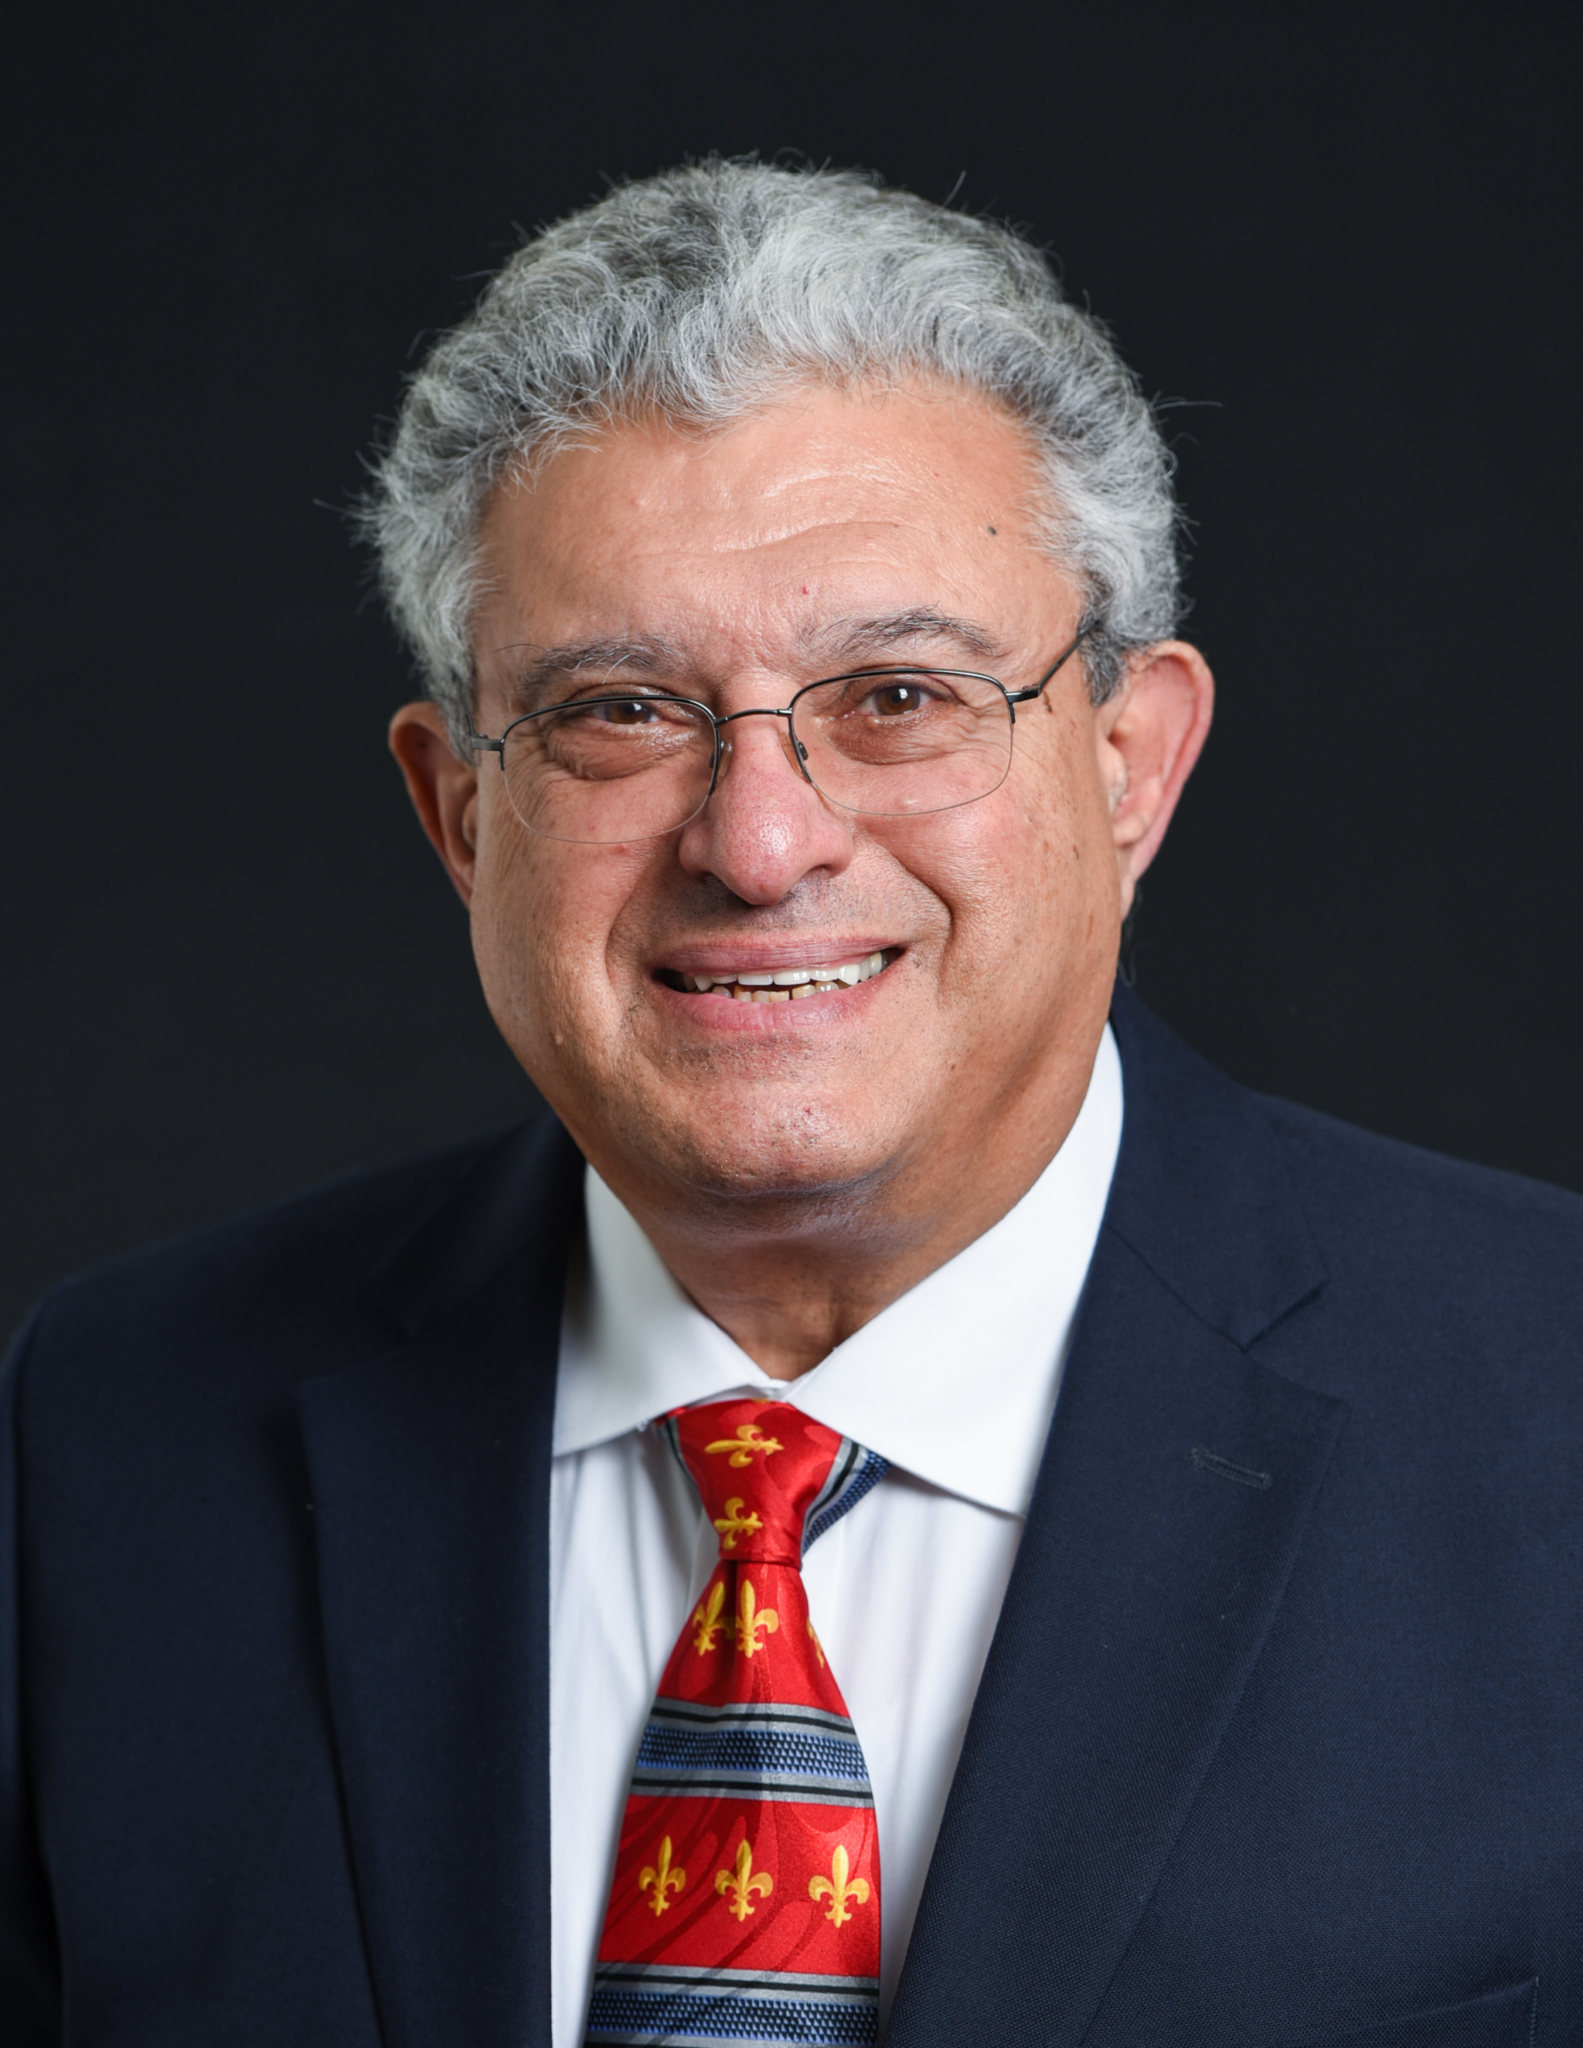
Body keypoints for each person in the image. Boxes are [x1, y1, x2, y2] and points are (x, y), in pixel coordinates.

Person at [2, 161, 1579, 2048]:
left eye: (899, 696)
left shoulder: (1552, 1407)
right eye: (619, 710)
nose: (759, 845)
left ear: (1130, 766)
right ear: (460, 814)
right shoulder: (104, 1434)